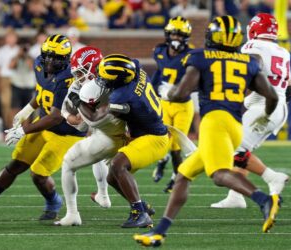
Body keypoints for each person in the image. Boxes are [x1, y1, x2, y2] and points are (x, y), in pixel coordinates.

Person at [134, 15, 281, 247]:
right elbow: (271, 96)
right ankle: (159, 232)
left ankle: (265, 200)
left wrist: (168, 93)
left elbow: (181, 94)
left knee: (219, 175)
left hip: (214, 121)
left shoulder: (200, 57)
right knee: (184, 174)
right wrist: (265, 115)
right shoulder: (248, 61)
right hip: (234, 124)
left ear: (212, 36)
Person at [0, 34, 86, 221]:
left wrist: (23, 130)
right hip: (45, 126)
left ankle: (54, 201)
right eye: (48, 56)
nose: (51, 61)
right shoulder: (39, 64)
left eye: (57, 58)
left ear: (66, 58)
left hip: (66, 133)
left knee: (38, 174)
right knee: (15, 165)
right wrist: (28, 109)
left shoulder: (67, 77)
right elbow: (42, 92)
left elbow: (55, 116)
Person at [210, 13, 291, 209]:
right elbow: (289, 88)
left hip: (264, 107)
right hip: (278, 106)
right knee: (242, 149)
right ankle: (235, 196)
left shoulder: (252, 46)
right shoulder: (283, 51)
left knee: (234, 148)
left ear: (253, 29)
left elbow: (251, 70)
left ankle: (272, 177)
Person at [95, 54, 170, 228]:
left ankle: (139, 214)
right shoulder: (136, 68)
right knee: (112, 178)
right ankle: (142, 206)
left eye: (105, 77)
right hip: (148, 131)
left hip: (153, 138)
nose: (101, 79)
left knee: (117, 165)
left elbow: (98, 118)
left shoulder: (122, 95)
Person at [54, 46, 126, 226]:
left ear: (93, 69)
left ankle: (73, 213)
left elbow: (89, 121)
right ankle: (106, 196)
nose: (77, 78)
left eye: (80, 73)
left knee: (71, 162)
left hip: (120, 130)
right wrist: (71, 116)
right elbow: (66, 110)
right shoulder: (81, 84)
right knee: (108, 164)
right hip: (106, 129)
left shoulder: (109, 82)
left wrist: (80, 115)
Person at [151, 16, 195, 193]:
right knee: (162, 140)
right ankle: (162, 162)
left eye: (180, 35)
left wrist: (179, 89)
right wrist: (153, 91)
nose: (176, 38)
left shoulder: (191, 56)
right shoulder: (160, 51)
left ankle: (176, 180)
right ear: (168, 35)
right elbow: (159, 72)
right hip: (164, 104)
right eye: (173, 34)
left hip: (182, 106)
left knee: (176, 148)